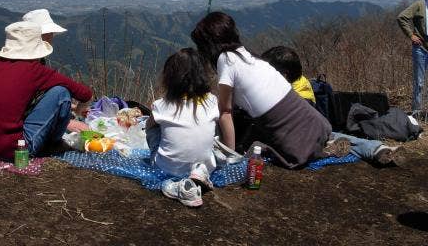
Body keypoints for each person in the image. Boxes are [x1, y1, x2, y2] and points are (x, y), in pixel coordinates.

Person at [191, 11, 335, 169]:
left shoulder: (225, 59)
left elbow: (225, 111)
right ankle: (327, 144)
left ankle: (316, 148)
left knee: (254, 144)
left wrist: (228, 156)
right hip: (318, 123)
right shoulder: (248, 56)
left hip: (295, 144)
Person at [0, 21, 93, 160]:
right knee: (61, 92)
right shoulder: (34, 70)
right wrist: (78, 110)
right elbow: (85, 94)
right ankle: (53, 144)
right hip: (11, 151)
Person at [263, 44, 406, 166]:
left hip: (301, 132)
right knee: (333, 136)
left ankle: (327, 149)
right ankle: (375, 149)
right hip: (315, 131)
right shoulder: (293, 81)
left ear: (284, 74)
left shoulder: (296, 90)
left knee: (324, 136)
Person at [146, 48, 219, 207]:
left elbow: (149, 127)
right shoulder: (213, 101)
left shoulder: (161, 105)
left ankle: (166, 165)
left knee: (154, 129)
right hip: (207, 167)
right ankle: (199, 170)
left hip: (167, 169)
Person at [397, 0, 428, 115]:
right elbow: (402, 17)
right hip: (420, 48)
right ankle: (417, 111)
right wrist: (411, 35)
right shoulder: (420, 5)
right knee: (419, 82)